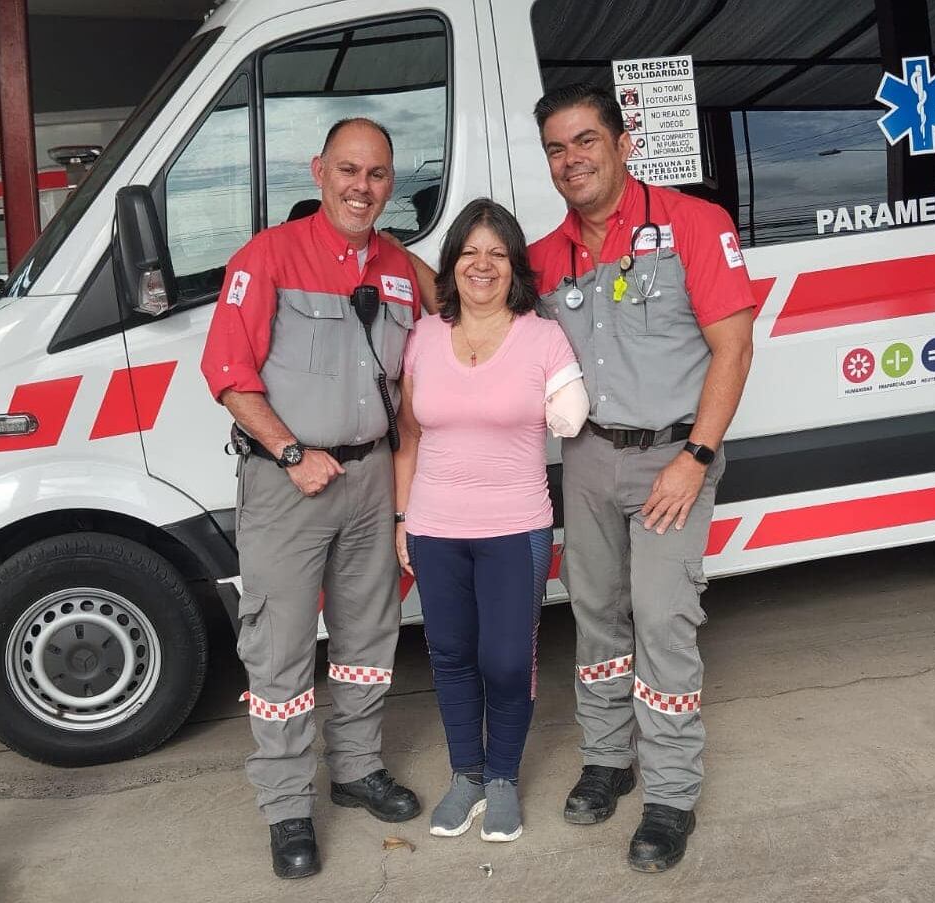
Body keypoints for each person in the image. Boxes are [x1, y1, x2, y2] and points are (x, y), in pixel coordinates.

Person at [528, 84, 755, 872]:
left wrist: (695, 456)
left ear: (623, 143)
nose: (572, 159)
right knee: (594, 611)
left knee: (661, 618)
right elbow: (473, 302)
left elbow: (733, 347)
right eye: (557, 148)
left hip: (672, 455)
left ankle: (670, 792)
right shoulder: (544, 257)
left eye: (586, 140)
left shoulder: (695, 224)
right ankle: (606, 756)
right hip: (587, 455)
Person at [200, 117, 423, 881]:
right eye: (350, 171)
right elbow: (228, 371)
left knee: (369, 636)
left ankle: (357, 770)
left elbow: (428, 358)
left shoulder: (398, 267)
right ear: (319, 171)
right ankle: (288, 806)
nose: (363, 187)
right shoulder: (267, 257)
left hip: (371, 480)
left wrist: (399, 500)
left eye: (379, 174)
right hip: (290, 482)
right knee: (281, 645)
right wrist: (291, 452)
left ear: (391, 183)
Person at [393, 198, 587, 844]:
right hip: (435, 523)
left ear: (514, 267)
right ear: (451, 265)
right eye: (470, 252)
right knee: (450, 655)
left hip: (515, 524)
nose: (483, 264)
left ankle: (502, 777)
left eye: (497, 253)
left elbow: (570, 408)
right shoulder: (424, 336)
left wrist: (568, 401)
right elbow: (409, 436)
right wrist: (402, 515)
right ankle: (467, 774)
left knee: (505, 658)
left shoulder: (541, 335)